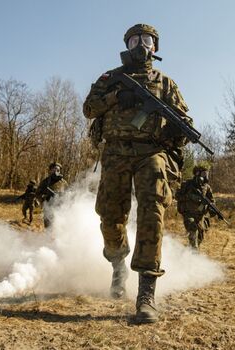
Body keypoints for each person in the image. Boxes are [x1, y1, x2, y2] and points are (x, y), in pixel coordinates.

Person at [83, 24, 192, 323]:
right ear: (126, 44)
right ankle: (118, 264)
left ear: (155, 47)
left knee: (152, 214)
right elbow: (89, 109)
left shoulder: (165, 83)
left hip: (151, 153)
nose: (140, 45)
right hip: (116, 152)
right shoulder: (110, 78)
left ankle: (146, 292)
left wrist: (175, 129)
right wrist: (116, 98)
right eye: (134, 39)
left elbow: (183, 119)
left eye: (146, 40)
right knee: (110, 216)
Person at [176, 163, 215, 249]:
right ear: (197, 173)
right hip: (188, 214)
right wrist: (190, 197)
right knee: (193, 230)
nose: (206, 176)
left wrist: (212, 210)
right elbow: (177, 196)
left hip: (200, 217)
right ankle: (194, 256)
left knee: (200, 237)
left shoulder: (206, 187)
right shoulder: (187, 184)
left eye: (207, 174)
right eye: (204, 174)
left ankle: (186, 254)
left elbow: (211, 201)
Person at [36, 162, 68, 228]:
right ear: (50, 170)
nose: (56, 171)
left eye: (58, 170)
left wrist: (63, 198)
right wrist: (45, 197)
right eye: (54, 169)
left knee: (59, 228)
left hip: (60, 209)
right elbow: (38, 194)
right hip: (48, 208)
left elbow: (68, 194)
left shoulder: (63, 182)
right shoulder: (45, 182)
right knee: (48, 228)